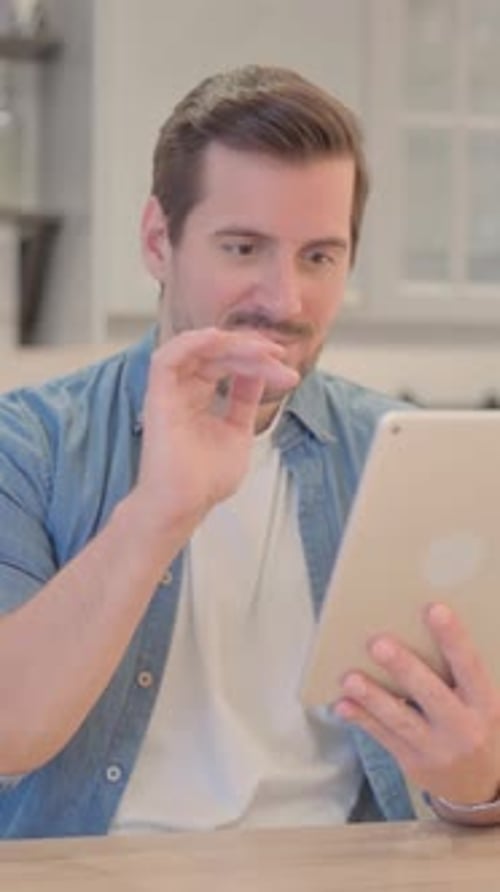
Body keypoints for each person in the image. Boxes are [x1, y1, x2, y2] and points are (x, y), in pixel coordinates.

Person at [0, 65, 499, 839]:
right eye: (242, 247)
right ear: (159, 241)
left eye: (319, 257)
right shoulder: (24, 445)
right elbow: (8, 732)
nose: (285, 300)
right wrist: (161, 511)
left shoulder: (399, 454)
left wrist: (470, 787)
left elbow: (470, 778)